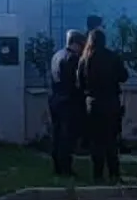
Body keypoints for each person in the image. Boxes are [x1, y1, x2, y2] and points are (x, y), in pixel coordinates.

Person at [76, 28, 129, 184]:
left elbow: (79, 84)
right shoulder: (112, 57)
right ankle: (114, 173)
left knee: (96, 141)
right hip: (111, 102)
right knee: (111, 140)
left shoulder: (85, 59)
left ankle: (98, 175)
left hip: (92, 103)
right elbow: (124, 76)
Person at [48, 29, 85, 177]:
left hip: (55, 99)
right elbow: (76, 82)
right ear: (76, 43)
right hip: (68, 101)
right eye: (82, 45)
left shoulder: (57, 55)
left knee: (57, 135)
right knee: (67, 137)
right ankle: (66, 168)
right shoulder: (72, 58)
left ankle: (57, 166)